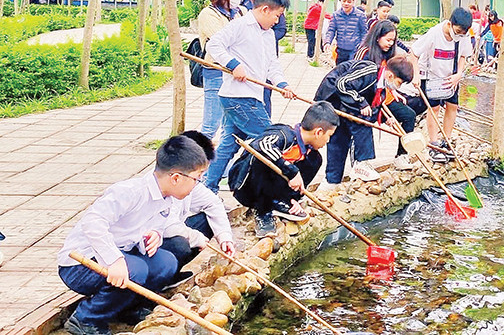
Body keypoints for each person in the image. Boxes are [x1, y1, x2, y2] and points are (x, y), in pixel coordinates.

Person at [57, 136, 209, 335]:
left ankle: (126, 308)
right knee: (135, 270)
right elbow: (93, 223)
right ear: (176, 177)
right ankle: (86, 319)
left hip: (121, 255)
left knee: (166, 262)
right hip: (80, 264)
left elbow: (147, 229)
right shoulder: (129, 192)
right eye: (197, 179)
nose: (197, 185)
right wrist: (114, 260)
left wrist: (153, 236)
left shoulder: (166, 199)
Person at [204, 0, 295, 194]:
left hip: (251, 95)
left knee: (228, 145)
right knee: (269, 141)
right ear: (264, 10)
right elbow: (214, 45)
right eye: (277, 15)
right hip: (238, 97)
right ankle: (270, 192)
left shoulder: (269, 35)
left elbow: (272, 64)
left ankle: (208, 188)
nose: (277, 21)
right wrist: (233, 64)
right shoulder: (240, 25)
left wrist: (282, 85)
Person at [228, 102, 339, 237]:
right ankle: (263, 211)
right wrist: (292, 171)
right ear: (319, 132)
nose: (328, 141)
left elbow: (297, 181)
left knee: (314, 161)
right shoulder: (283, 135)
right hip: (246, 188)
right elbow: (261, 145)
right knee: (263, 159)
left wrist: (293, 198)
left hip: (273, 189)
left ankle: (282, 202)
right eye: (329, 136)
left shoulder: (311, 155)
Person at [314, 56, 414, 186]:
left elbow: (374, 105)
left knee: (342, 137)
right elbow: (342, 83)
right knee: (356, 127)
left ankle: (334, 180)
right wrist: (360, 102)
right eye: (399, 82)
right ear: (390, 75)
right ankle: (359, 165)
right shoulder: (369, 71)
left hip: (346, 104)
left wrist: (385, 118)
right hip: (332, 98)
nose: (398, 87)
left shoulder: (381, 85)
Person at [161, 131, 235, 273]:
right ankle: (163, 277)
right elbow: (166, 226)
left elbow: (213, 203)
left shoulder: (190, 182)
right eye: (199, 174)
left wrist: (224, 237)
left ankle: (174, 272)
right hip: (154, 241)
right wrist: (196, 237)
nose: (200, 179)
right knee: (180, 244)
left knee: (207, 220)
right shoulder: (162, 186)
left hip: (172, 230)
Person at [409, 8, 473, 163]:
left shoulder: (463, 36)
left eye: (462, 33)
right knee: (434, 108)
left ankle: (447, 140)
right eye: (457, 31)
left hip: (450, 76)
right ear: (450, 24)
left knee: (452, 106)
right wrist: (416, 76)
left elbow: (463, 55)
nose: (458, 35)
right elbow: (413, 53)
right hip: (430, 76)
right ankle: (434, 143)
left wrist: (459, 75)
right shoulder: (434, 33)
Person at [354, 20, 417, 170]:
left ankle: (401, 156)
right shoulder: (364, 52)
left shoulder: (389, 54)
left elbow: (389, 77)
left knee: (409, 115)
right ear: (377, 37)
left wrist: (394, 90)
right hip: (365, 99)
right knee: (364, 122)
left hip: (382, 97)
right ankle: (361, 163)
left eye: (393, 41)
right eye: (388, 40)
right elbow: (356, 80)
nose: (390, 44)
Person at [197, 0, 246, 138]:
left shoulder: (241, 12)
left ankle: (223, 164)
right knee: (211, 125)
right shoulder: (209, 14)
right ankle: (198, 162)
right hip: (216, 72)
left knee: (230, 128)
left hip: (236, 75)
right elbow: (222, 44)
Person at [243, 0, 286, 117]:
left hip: (266, 59)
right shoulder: (243, 6)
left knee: (264, 97)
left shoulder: (273, 5)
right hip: (245, 65)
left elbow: (281, 29)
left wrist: (263, 38)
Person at [324, 0, 368, 64]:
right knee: (340, 71)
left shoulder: (360, 15)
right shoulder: (336, 15)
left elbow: (364, 32)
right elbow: (331, 30)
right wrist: (327, 42)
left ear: (353, 2)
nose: (346, 3)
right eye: (344, 1)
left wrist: (361, 46)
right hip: (341, 50)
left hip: (354, 50)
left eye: (349, 1)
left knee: (351, 71)